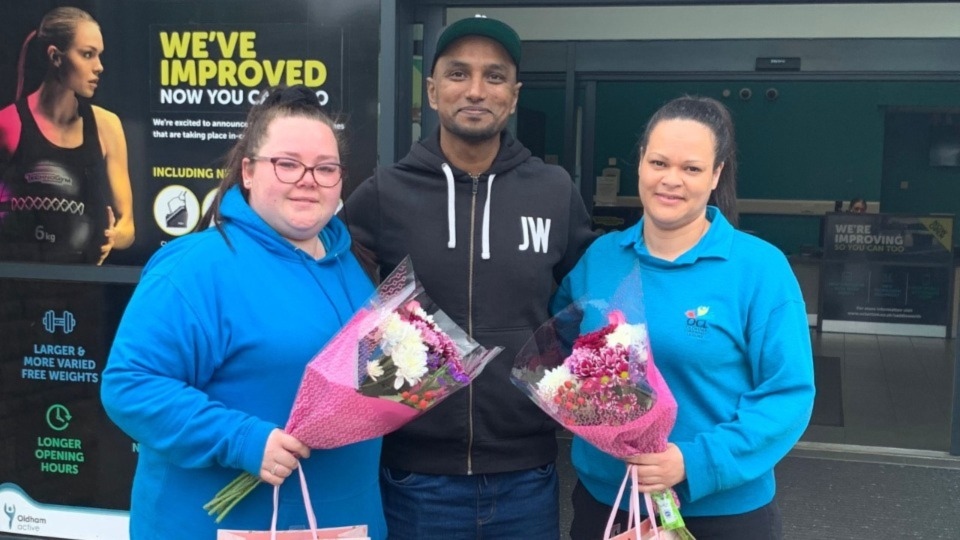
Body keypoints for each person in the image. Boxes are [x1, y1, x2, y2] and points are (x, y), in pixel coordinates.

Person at [341, 14, 597, 539]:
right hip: (415, 478)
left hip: (528, 475)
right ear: (433, 91)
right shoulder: (384, 194)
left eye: (494, 76)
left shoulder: (554, 192)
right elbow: (336, 304)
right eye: (458, 74)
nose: (476, 90)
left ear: (515, 94)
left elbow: (585, 313)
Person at [100, 86, 386, 539]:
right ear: (248, 171)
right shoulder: (197, 266)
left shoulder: (352, 268)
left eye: (325, 168)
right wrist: (243, 439)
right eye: (287, 163)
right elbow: (130, 386)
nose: (308, 179)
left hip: (342, 522)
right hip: (219, 524)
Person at [553, 96, 815, 540]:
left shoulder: (758, 269)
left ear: (716, 175)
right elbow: (561, 354)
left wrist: (692, 462)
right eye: (659, 162)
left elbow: (787, 396)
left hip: (721, 512)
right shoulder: (601, 259)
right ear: (641, 164)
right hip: (608, 504)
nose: (670, 180)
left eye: (691, 168)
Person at [0, 6, 134, 264]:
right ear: (55, 56)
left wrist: (113, 236)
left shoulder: (107, 126)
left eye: (99, 56)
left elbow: (128, 224)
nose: (99, 67)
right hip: (18, 290)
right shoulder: (8, 124)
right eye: (87, 55)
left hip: (83, 289)